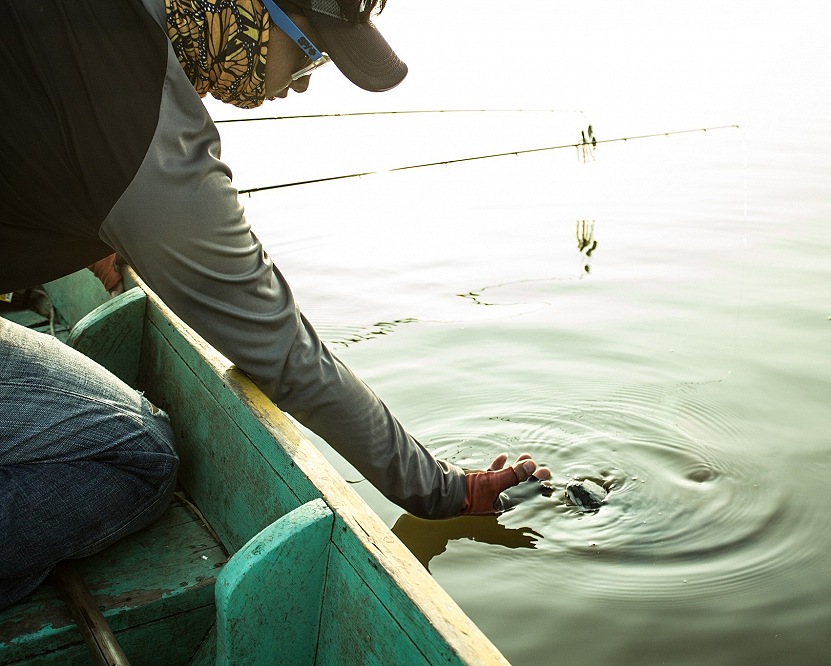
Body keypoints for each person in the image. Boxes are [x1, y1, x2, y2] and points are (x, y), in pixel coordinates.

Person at [0, 0, 550, 610]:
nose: (305, 81)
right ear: (255, 15)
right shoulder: (143, 140)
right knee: (138, 456)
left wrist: (89, 232)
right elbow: (287, 355)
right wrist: (450, 492)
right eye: (312, 53)